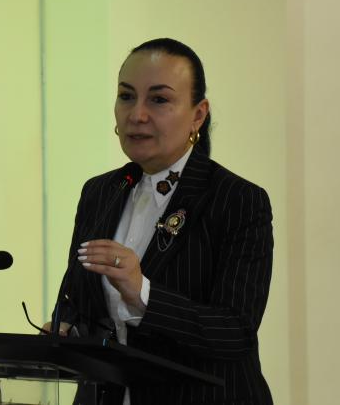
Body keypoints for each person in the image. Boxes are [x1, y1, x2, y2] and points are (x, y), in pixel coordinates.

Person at [49, 38, 274, 405]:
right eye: (126, 96)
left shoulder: (237, 200)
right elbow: (79, 301)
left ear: (198, 115)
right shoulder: (100, 192)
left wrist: (143, 292)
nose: (137, 114)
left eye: (158, 99)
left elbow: (234, 333)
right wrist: (68, 328)